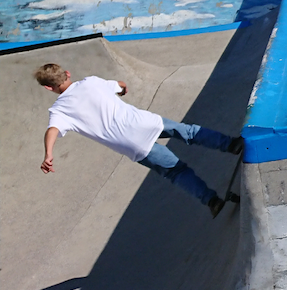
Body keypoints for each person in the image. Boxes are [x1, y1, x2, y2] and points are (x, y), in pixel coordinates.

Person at [35, 63, 243, 218]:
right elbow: (120, 85)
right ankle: (231, 145)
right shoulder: (91, 82)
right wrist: (123, 89)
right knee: (187, 132)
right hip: (145, 123)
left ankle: (211, 201)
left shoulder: (59, 110)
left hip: (133, 145)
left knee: (177, 172)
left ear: (48, 87)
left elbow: (52, 130)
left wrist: (49, 154)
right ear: (67, 74)